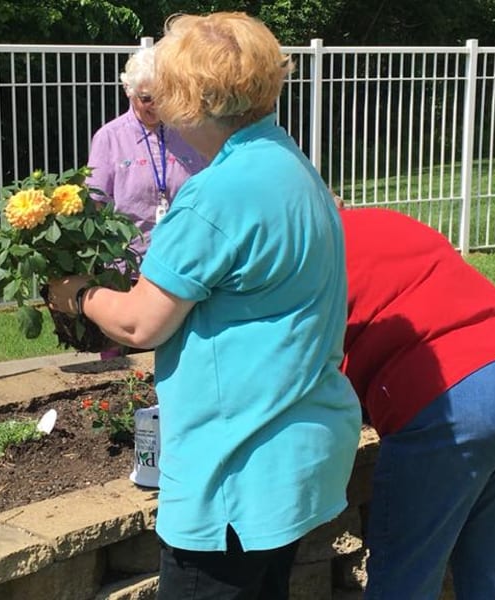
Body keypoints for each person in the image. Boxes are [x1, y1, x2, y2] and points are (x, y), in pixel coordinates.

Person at [47, 13, 362, 599]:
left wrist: (78, 294)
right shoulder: (292, 167)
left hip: (233, 478)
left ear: (192, 98)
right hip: (292, 458)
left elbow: (140, 322)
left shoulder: (216, 194)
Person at [339, 207, 495, 600]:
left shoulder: (311, 252)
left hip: (451, 399)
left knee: (404, 578)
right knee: (489, 568)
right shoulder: (386, 220)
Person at [86, 45, 208, 260]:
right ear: (128, 91)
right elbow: (95, 203)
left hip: (184, 259)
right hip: (130, 261)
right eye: (147, 98)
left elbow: (208, 192)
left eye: (164, 96)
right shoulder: (109, 137)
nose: (157, 105)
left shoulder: (188, 133)